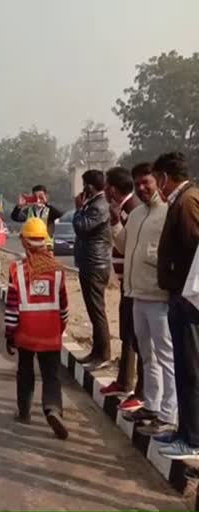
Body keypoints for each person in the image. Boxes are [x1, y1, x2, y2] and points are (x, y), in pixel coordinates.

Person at [111, 162, 175, 435]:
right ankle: (151, 405)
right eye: (138, 184)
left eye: (146, 182)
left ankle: (169, 413)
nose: (142, 188)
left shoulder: (169, 214)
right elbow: (123, 245)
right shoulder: (136, 215)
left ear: (158, 181)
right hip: (136, 294)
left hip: (160, 297)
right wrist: (115, 223)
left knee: (166, 356)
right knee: (147, 355)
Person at [5, 218, 70, 439]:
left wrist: (9, 334)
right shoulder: (58, 271)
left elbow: (12, 308)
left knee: (25, 373)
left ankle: (24, 412)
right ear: (45, 241)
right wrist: (59, 329)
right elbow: (64, 307)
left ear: (24, 242)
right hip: (51, 334)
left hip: (25, 334)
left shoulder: (16, 270)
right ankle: (53, 409)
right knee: (51, 375)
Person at [154, 152, 199, 460]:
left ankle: (193, 437)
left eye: (158, 180)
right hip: (181, 296)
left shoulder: (187, 204)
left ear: (164, 178)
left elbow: (194, 248)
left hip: (189, 299)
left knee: (191, 369)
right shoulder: (182, 202)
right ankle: (184, 430)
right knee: (183, 367)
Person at [100, 166, 145, 412]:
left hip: (136, 285)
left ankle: (141, 391)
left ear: (113, 189)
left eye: (107, 187)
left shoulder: (132, 210)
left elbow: (130, 246)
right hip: (126, 284)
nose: (104, 191)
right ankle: (124, 381)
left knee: (139, 340)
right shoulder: (124, 209)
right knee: (127, 335)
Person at [73, 169, 113, 369]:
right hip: (90, 262)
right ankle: (96, 352)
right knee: (92, 310)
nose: (82, 189)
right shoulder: (94, 204)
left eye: (84, 184)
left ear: (90, 185)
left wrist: (78, 209)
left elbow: (82, 227)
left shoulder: (99, 205)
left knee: (97, 312)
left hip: (96, 264)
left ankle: (103, 354)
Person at [11, 185, 64, 249]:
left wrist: (46, 203)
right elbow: (15, 217)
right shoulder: (29, 211)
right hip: (32, 245)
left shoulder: (50, 210)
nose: (38, 199)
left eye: (41, 197)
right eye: (35, 197)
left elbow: (60, 214)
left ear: (46, 196)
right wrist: (19, 206)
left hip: (46, 246)